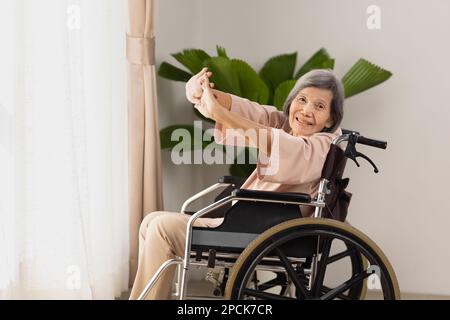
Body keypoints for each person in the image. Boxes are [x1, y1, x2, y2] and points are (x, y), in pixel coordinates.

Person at [129, 68, 345, 300]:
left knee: (162, 228)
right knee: (150, 222)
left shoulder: (324, 144)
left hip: (265, 231)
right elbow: (248, 111)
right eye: (302, 100)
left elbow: (273, 139)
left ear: (331, 118)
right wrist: (202, 92)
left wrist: (219, 113)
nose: (306, 111)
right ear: (292, 101)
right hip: (251, 223)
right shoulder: (287, 126)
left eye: (319, 106)